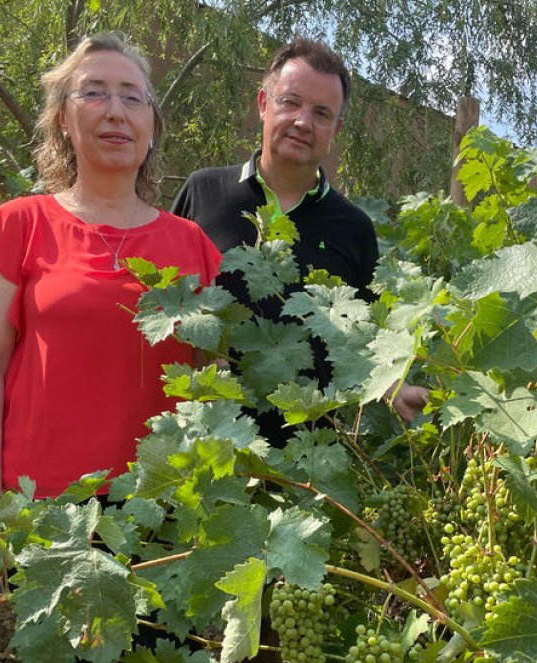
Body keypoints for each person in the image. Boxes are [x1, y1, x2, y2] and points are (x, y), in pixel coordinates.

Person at [0, 33, 221, 505]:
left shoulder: (193, 245)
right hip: (38, 506)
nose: (115, 111)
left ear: (152, 125)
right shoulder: (18, 227)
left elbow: (211, 380)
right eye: (94, 92)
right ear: (63, 119)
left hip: (161, 504)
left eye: (132, 97)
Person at [170, 38, 426, 443]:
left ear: (336, 129)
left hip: (308, 466)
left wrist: (395, 386)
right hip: (200, 449)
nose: (303, 121)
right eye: (290, 102)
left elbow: (370, 342)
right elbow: (166, 303)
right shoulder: (203, 192)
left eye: (321, 113)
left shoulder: (354, 228)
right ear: (263, 104)